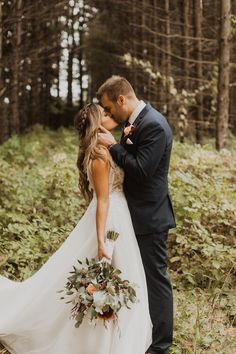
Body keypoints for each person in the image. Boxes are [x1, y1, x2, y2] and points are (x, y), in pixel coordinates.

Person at [0, 103, 152, 354]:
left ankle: (117, 337)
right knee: (110, 276)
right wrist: (102, 241)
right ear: (97, 123)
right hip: (111, 218)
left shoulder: (106, 148)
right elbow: (103, 199)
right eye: (104, 114)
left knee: (121, 277)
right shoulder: (100, 157)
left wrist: (123, 141)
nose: (110, 115)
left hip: (119, 214)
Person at [97, 75, 176, 354]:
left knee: (156, 281)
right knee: (139, 279)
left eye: (109, 108)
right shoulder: (137, 122)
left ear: (122, 99)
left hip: (151, 218)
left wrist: (113, 146)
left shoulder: (153, 124)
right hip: (136, 214)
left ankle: (161, 345)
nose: (108, 114)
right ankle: (140, 335)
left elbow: (142, 170)